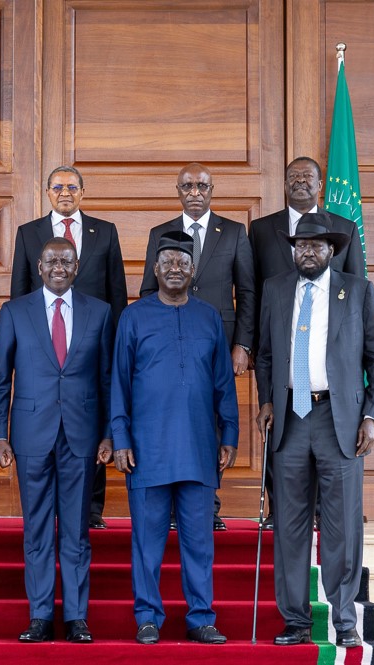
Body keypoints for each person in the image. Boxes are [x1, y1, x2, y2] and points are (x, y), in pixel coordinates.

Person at [254, 215, 374, 648]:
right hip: (291, 420)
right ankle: (295, 619)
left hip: (341, 421)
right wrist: (266, 401)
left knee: (342, 525)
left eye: (315, 246)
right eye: (300, 246)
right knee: (289, 525)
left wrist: (373, 415)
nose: (307, 253)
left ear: (331, 250)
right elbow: (264, 356)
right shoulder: (275, 289)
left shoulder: (358, 290)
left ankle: (344, 617)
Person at [111, 231, 239, 646]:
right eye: (167, 261)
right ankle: (147, 617)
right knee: (147, 543)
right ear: (155, 268)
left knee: (198, 543)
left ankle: (201, 617)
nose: (174, 269)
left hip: (200, 448)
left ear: (193, 270)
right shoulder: (133, 317)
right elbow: (119, 383)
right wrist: (121, 437)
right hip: (147, 449)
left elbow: (223, 382)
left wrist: (230, 432)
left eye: (182, 262)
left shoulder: (209, 318)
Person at [0, 237, 115, 644]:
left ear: (77, 267)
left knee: (77, 532)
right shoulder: (14, 311)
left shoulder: (100, 312)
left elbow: (106, 378)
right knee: (38, 530)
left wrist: (109, 433)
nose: (58, 267)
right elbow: (0, 379)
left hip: (81, 436)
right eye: (51, 261)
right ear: (39, 267)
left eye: (66, 261)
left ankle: (76, 617)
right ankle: (41, 615)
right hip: (29, 436)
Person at [249, 157, 366, 530]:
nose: (300, 182)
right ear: (284, 183)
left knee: (328, 444)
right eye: (293, 176)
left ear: (320, 185)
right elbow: (253, 290)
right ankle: (280, 509)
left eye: (307, 177)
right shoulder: (262, 229)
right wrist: (251, 346)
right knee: (282, 432)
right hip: (281, 346)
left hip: (329, 353)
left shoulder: (343, 228)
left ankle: (325, 512)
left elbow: (359, 289)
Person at [10, 165, 127, 530]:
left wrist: (117, 343)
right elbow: (21, 290)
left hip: (93, 341)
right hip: (46, 342)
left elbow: (116, 292)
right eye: (58, 186)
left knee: (92, 417)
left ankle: (91, 508)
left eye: (72, 187)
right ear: (47, 192)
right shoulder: (29, 233)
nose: (65, 192)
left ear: (82, 192)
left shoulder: (104, 232)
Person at [139, 163, 254, 531]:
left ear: (212, 190)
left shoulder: (234, 232)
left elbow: (247, 292)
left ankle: (209, 506)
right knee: (172, 419)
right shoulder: (161, 233)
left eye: (202, 186)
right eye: (187, 186)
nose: (194, 192)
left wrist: (243, 345)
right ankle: (172, 508)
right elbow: (146, 290)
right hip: (168, 346)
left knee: (211, 420)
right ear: (177, 190)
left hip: (215, 344)